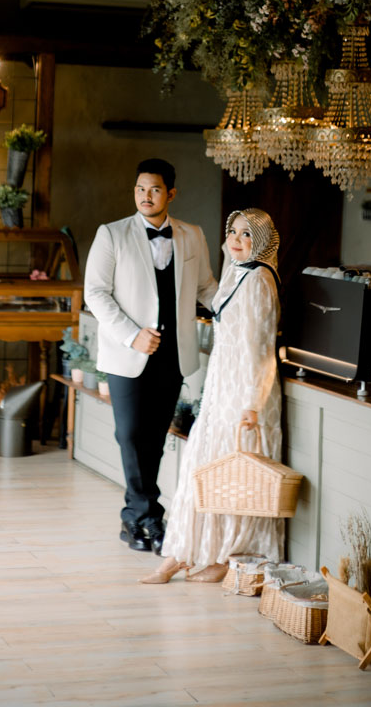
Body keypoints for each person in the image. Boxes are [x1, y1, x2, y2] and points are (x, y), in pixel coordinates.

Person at [140, 207, 283, 584]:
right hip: (223, 386)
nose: (236, 240)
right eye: (233, 231)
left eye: (247, 234)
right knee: (204, 469)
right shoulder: (238, 272)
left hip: (245, 394)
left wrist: (252, 403)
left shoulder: (259, 280)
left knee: (233, 475)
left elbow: (260, 348)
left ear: (261, 242)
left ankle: (227, 555)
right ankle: (183, 552)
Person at [84, 158, 219, 555]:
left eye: (155, 190)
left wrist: (239, 308)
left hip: (172, 355)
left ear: (170, 194)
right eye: (141, 189)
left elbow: (206, 287)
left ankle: (137, 518)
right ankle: (146, 516)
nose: (146, 196)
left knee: (155, 438)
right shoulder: (111, 234)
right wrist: (132, 336)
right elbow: (95, 293)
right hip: (128, 354)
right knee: (129, 434)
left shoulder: (192, 235)